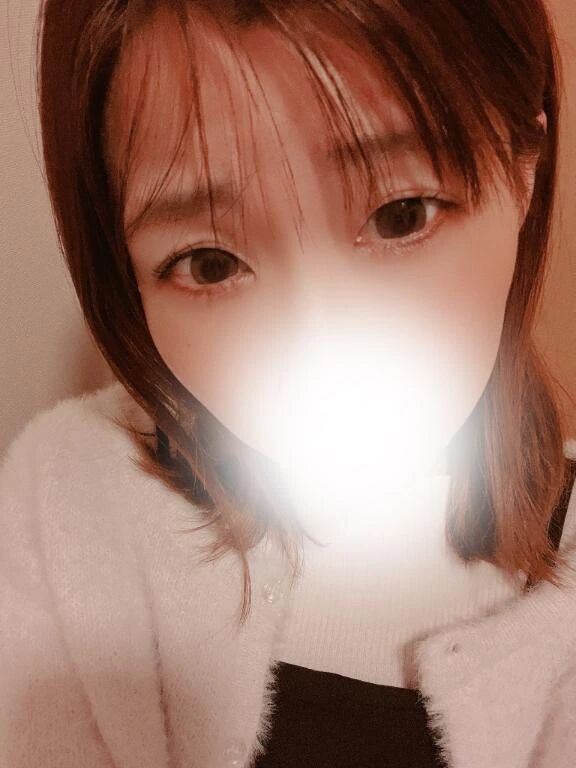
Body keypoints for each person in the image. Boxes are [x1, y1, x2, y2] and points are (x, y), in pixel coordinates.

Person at [2, 0, 576, 765]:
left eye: (402, 215)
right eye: (210, 263)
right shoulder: (67, 511)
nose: (319, 345)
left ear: (524, 167)